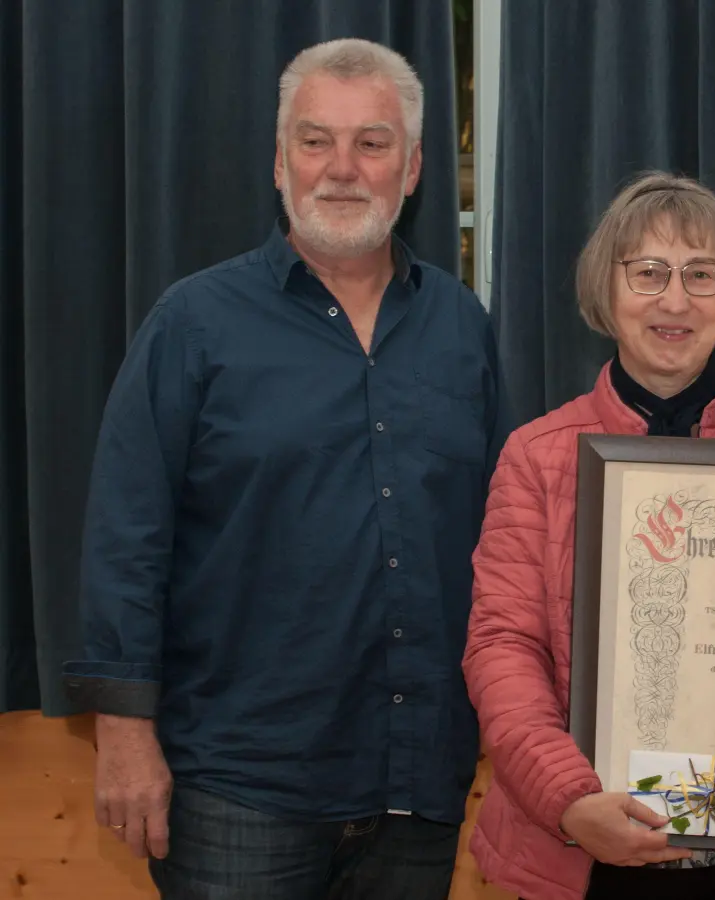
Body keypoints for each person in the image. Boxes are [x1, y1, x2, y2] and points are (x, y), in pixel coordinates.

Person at [62, 38, 507, 898]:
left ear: (413, 169)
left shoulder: (461, 327)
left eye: (372, 143)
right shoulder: (192, 325)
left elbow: (500, 535)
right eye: (315, 141)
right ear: (278, 163)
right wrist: (123, 732)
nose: (342, 168)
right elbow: (126, 535)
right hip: (239, 788)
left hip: (416, 783)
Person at [462, 171, 715, 900]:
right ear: (606, 291)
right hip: (589, 854)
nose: (675, 300)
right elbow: (502, 646)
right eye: (649, 273)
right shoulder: (538, 455)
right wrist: (569, 798)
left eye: (702, 274)